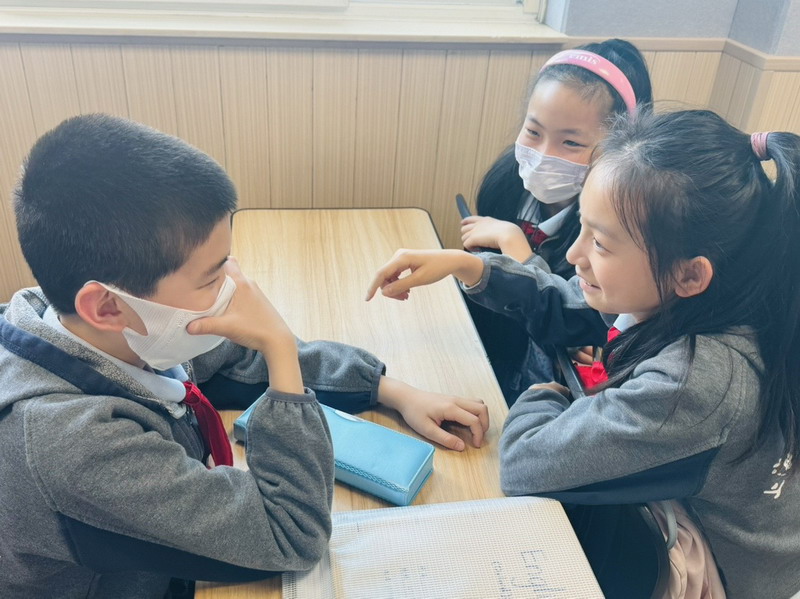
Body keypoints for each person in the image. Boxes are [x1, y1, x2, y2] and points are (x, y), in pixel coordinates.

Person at [0, 114, 488, 598]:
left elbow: (233, 356)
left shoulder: (103, 329)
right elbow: (291, 533)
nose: (234, 287)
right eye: (213, 277)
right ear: (107, 306)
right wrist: (279, 348)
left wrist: (388, 389)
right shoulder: (75, 443)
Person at [366, 109, 800, 597]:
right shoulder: (703, 298)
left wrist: (549, 389)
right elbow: (572, 303)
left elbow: (526, 463)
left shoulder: (698, 380)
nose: (574, 255)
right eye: (582, 229)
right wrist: (470, 266)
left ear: (689, 274)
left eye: (601, 244)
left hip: (723, 571)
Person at [460, 39, 652, 403]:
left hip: (547, 390)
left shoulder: (614, 230)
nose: (543, 155)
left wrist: (517, 248)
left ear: (620, 148)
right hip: (493, 357)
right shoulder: (505, 187)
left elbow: (579, 318)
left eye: (571, 143)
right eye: (533, 132)